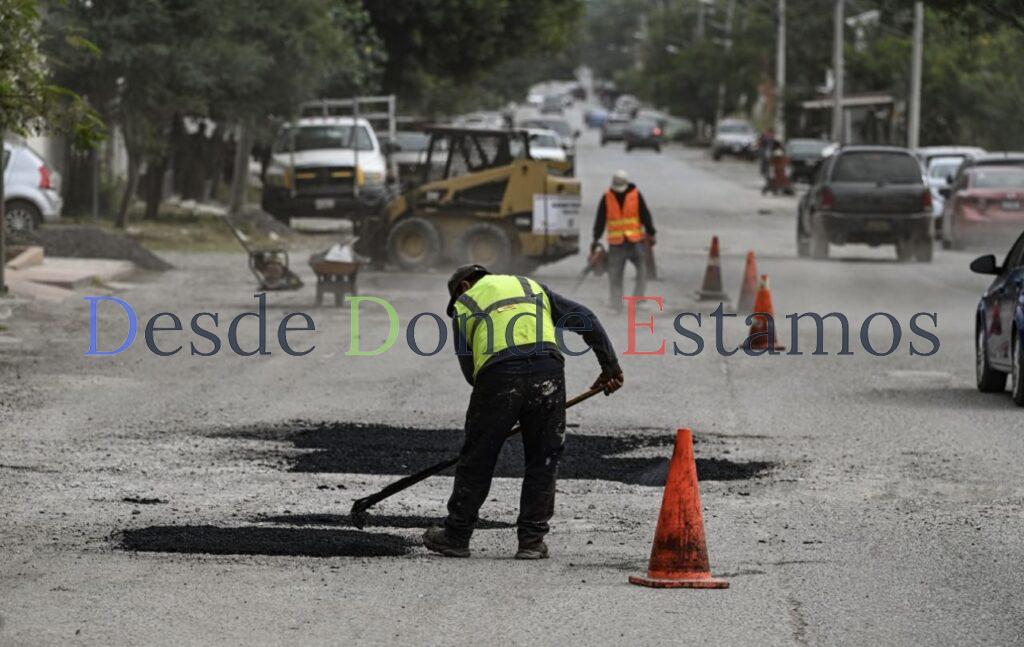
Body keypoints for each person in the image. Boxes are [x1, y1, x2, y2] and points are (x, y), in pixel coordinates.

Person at [423, 264, 624, 559]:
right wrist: (610, 367)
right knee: (543, 456)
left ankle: (456, 535)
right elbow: (586, 318)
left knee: (478, 458)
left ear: (464, 286)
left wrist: (495, 418)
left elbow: (471, 374)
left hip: (498, 375)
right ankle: (531, 541)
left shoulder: (465, 303)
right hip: (548, 370)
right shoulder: (530, 287)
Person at [592, 170, 657, 311]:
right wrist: (596, 238)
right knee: (615, 274)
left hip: (635, 241)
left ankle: (637, 298)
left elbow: (645, 214)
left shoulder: (636, 195)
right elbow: (600, 219)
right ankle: (616, 303)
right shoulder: (607, 197)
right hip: (617, 244)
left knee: (642, 270)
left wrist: (651, 232)